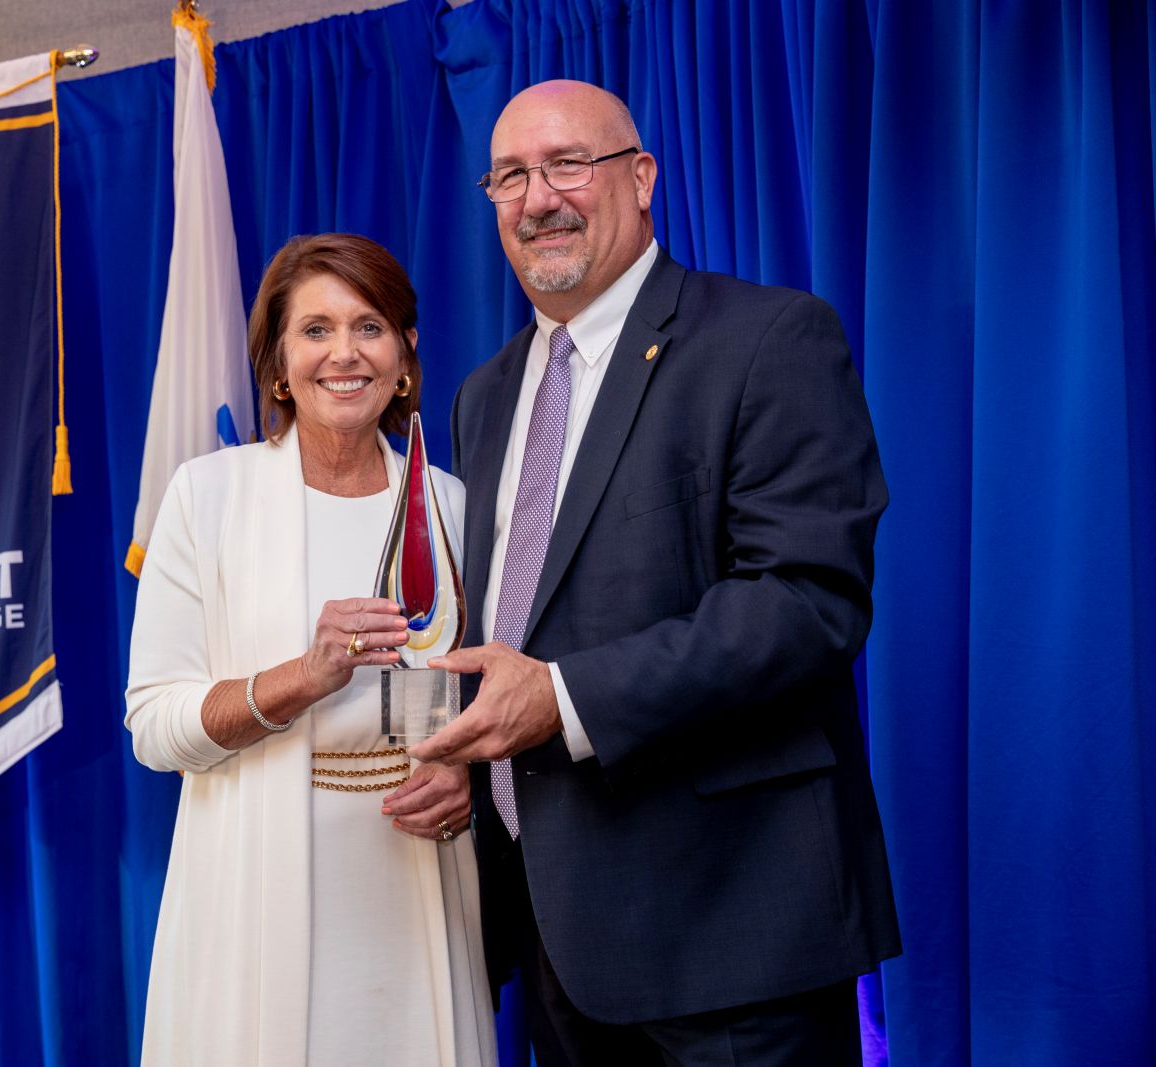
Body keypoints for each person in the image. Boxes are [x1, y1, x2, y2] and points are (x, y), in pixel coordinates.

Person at [409, 80, 902, 1064]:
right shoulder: (485, 394)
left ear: (641, 179)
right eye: (509, 174)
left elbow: (806, 603)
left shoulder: (767, 337)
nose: (537, 196)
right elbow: (522, 616)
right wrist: (465, 751)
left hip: (733, 934)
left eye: (566, 165)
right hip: (555, 941)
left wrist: (559, 698)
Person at [126, 233, 498, 1066]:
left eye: (369, 326)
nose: (344, 353)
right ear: (278, 363)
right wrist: (308, 673)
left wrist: (468, 775)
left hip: (418, 886)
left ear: (404, 354)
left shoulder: (449, 503)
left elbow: (486, 696)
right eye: (316, 330)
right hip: (250, 893)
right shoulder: (207, 495)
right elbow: (154, 726)